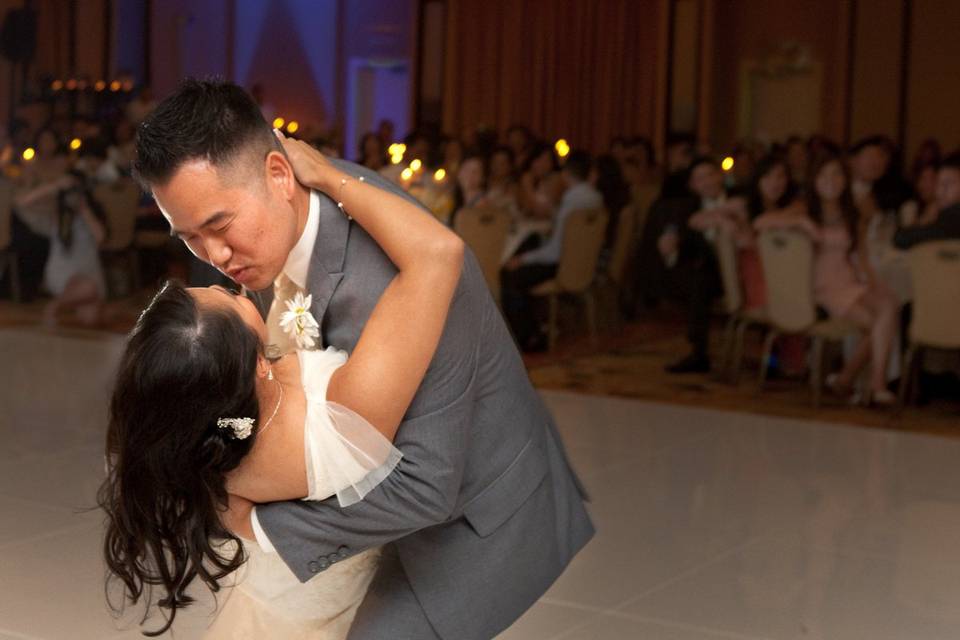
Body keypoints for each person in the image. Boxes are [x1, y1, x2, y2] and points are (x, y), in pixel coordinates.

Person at [125, 79, 593, 639]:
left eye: (220, 226)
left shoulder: (387, 289)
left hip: (470, 514)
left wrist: (261, 525)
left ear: (279, 172)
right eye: (189, 237)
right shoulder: (293, 202)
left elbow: (425, 487)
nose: (215, 258)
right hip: (379, 492)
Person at [755, 154, 899, 405]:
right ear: (815, 179)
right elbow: (760, 222)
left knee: (889, 304)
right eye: (824, 175)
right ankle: (868, 383)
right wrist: (801, 222)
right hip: (821, 286)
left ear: (845, 179)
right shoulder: (805, 208)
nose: (830, 180)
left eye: (837, 174)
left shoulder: (851, 212)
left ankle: (856, 381)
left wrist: (874, 282)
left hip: (848, 280)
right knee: (876, 323)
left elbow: (861, 254)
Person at [502, 150, 602, 350]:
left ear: (565, 174)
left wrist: (523, 259)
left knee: (509, 277)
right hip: (582, 263)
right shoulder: (595, 198)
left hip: (561, 263)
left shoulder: (571, 200)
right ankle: (536, 329)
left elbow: (554, 251)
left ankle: (529, 337)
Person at [894, 152, 960, 249]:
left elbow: (901, 239)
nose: (940, 191)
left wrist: (925, 220)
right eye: (939, 184)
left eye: (948, 184)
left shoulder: (954, 216)